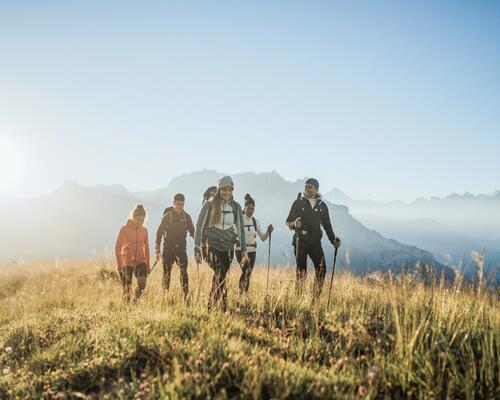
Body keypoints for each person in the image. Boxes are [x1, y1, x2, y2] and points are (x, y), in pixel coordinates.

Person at [194, 176, 248, 311]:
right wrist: (197, 247)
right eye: (224, 189)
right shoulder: (209, 205)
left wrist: (243, 249)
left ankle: (216, 308)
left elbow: (240, 228)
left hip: (228, 247)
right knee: (220, 271)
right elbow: (199, 225)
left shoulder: (236, 207)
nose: (227, 192)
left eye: (230, 189)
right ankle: (217, 307)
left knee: (221, 276)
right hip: (209, 245)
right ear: (219, 189)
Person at [285, 178, 341, 299]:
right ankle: (298, 300)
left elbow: (327, 226)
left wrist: (333, 240)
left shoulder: (322, 206)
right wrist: (294, 224)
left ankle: (315, 299)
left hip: (315, 242)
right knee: (301, 272)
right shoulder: (298, 203)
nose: (307, 189)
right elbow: (287, 222)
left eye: (310, 187)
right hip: (301, 240)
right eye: (305, 187)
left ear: (316, 189)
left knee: (321, 269)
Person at [155, 193, 195, 300]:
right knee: (167, 273)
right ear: (173, 203)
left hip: (181, 250)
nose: (180, 207)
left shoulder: (186, 217)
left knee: (184, 272)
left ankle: (185, 296)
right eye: (178, 204)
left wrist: (199, 246)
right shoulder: (167, 217)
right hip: (168, 249)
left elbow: (193, 232)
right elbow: (159, 233)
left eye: (182, 205)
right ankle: (165, 296)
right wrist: (157, 249)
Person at [235, 194, 273, 294]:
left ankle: (244, 294)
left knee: (248, 272)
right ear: (244, 208)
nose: (250, 211)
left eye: (252, 209)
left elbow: (263, 238)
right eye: (248, 209)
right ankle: (240, 293)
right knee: (246, 270)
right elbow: (233, 235)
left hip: (252, 251)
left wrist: (268, 232)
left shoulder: (255, 221)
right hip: (240, 250)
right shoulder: (239, 220)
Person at [115, 204, 150, 304]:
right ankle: (125, 309)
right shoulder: (124, 229)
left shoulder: (144, 230)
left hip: (140, 260)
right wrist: (119, 264)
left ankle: (135, 302)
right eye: (138, 220)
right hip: (126, 261)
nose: (140, 222)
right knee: (127, 290)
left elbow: (146, 248)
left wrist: (147, 265)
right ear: (133, 218)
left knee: (142, 285)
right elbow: (117, 247)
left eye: (142, 220)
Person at [201, 186, 217, 264]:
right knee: (219, 270)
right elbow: (200, 227)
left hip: (217, 244)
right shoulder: (207, 208)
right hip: (207, 244)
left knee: (219, 271)